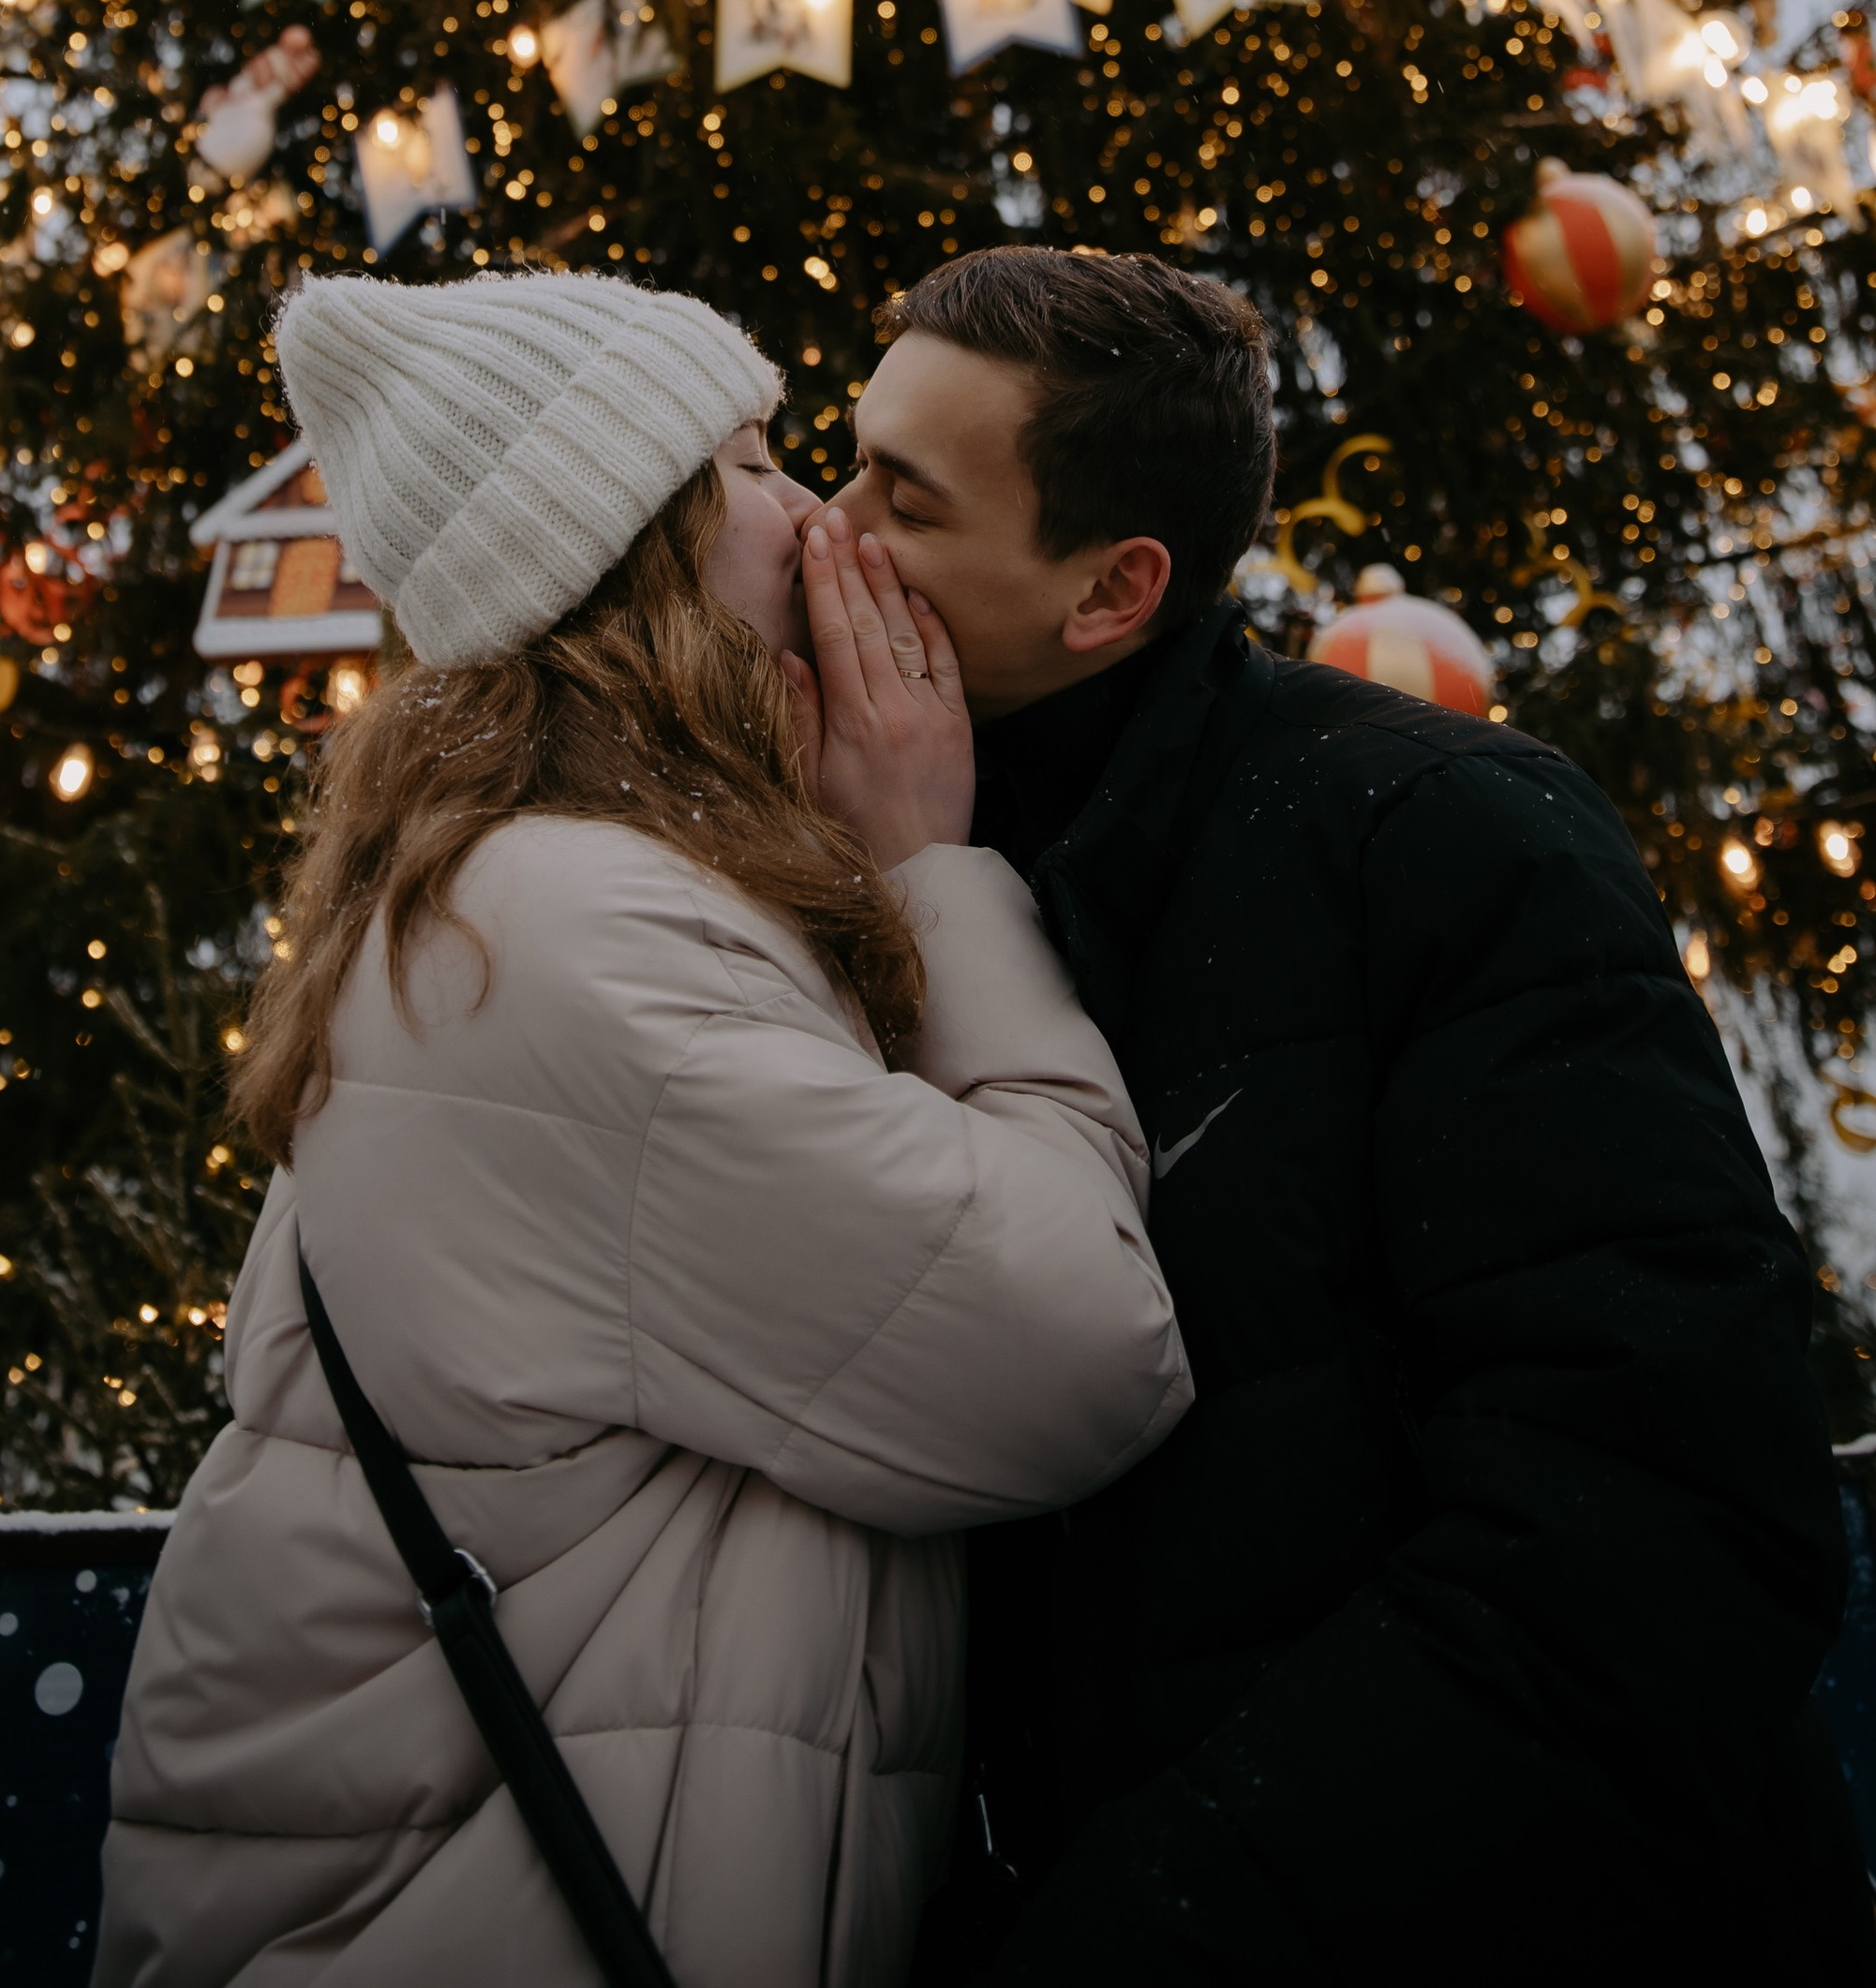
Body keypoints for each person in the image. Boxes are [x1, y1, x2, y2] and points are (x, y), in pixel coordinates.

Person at [94, 265, 1187, 1988]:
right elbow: (1083, 1349)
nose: (816, 515)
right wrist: (933, 865)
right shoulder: (578, 930)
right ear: (630, 554)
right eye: (752, 466)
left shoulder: (539, 892)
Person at [837, 245, 1876, 1988]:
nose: (834, 525)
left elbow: (1654, 1525)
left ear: (1111, 590)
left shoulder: (1438, 840)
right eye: (848, 459)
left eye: (905, 498)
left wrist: (1157, 1928)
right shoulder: (877, 869)